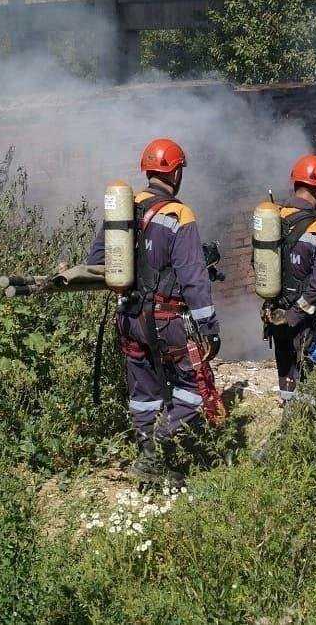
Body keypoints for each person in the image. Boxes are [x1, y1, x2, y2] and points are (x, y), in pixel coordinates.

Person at [87, 138, 224, 484]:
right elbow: (194, 278)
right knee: (194, 387)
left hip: (128, 317)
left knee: (144, 393)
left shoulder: (124, 208)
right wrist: (209, 327)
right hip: (166, 321)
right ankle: (163, 443)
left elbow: (96, 261)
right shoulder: (179, 215)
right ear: (175, 173)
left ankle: (148, 459)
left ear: (147, 171)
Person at [263, 154, 316, 404]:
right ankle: (308, 420)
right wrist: (296, 313)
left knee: (286, 372)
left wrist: (282, 313)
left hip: (275, 314)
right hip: (305, 321)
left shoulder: (274, 218)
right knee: (313, 374)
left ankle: (289, 410)